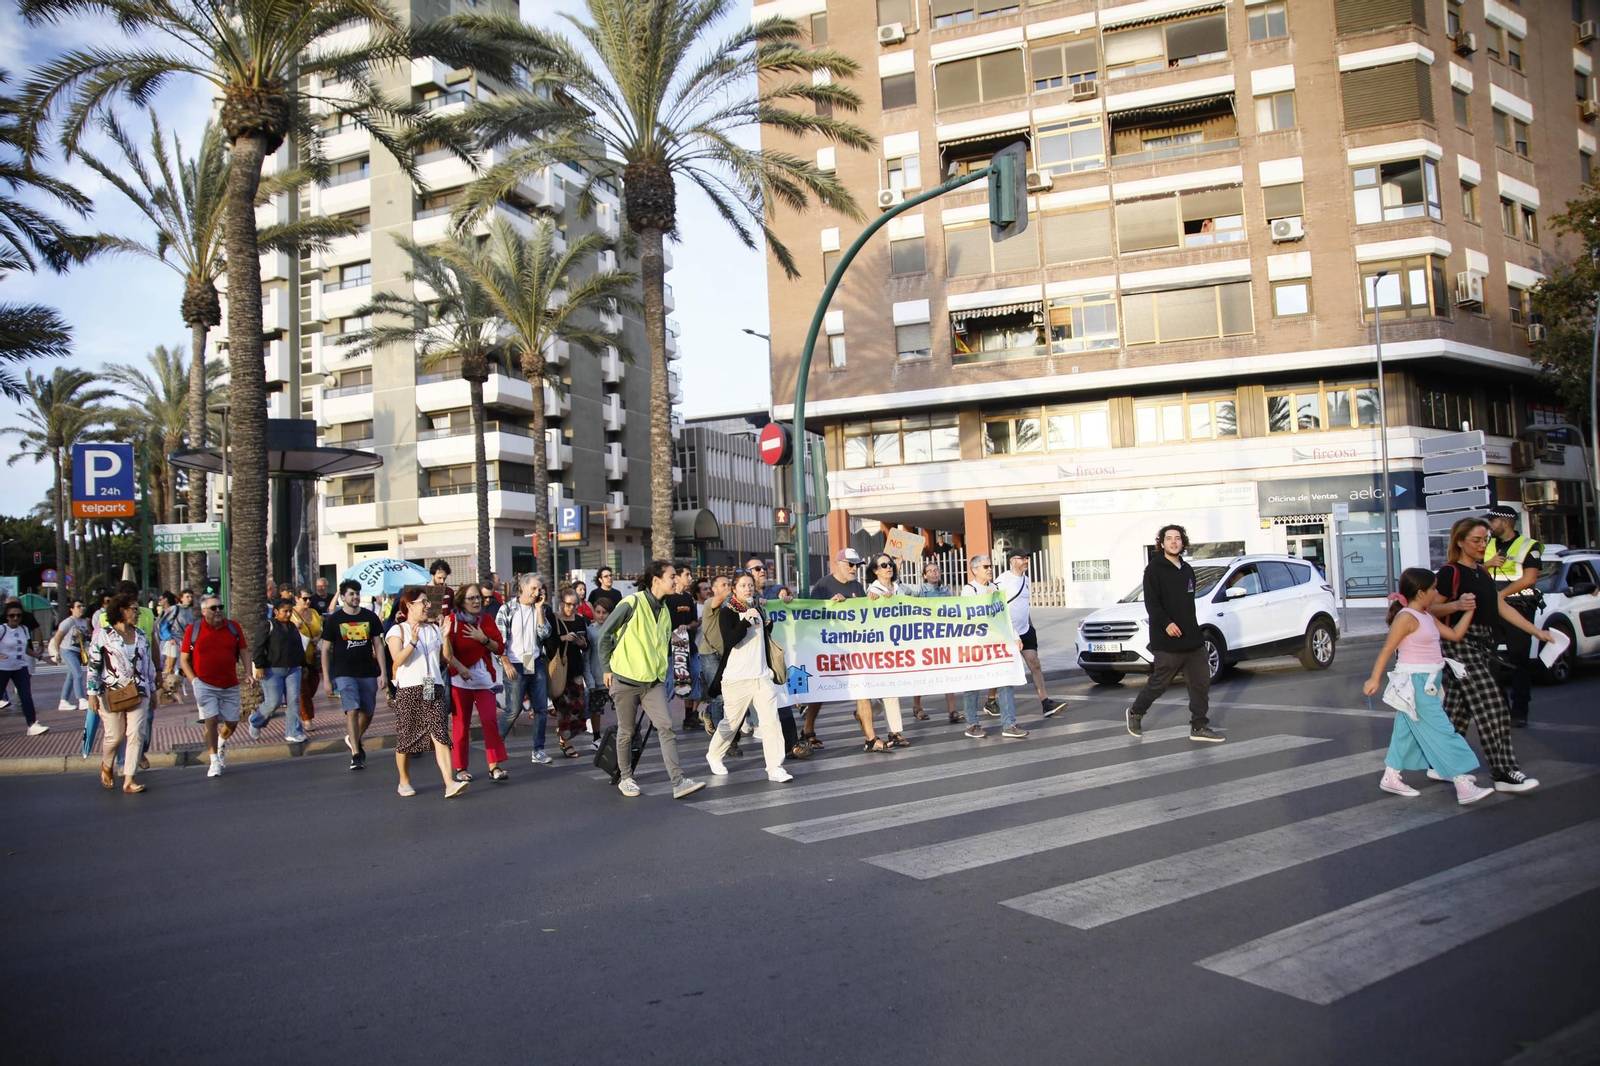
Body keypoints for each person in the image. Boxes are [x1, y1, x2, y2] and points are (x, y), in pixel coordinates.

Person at [1429, 517, 1554, 794]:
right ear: (1460, 542)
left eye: (1485, 540)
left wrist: (1536, 632)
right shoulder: (1450, 572)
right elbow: (1429, 609)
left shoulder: (1482, 573)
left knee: (1457, 710)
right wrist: (1457, 605)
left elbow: (1501, 607)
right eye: (1476, 540)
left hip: (1484, 643)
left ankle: (1440, 763)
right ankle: (1503, 772)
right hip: (1461, 644)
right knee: (1494, 705)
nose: (1482, 545)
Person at [1361, 570, 1496, 805]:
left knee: (1405, 733)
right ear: (1421, 592)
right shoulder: (1406, 617)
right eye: (1433, 588)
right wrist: (1374, 679)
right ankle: (1462, 784)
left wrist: (1469, 611)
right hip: (1415, 684)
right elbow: (1387, 649)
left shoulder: (1426, 615)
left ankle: (1391, 776)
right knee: (1442, 731)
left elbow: (1455, 634)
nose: (1436, 592)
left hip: (1428, 681)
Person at [597, 559, 705, 799]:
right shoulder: (631, 603)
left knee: (666, 726)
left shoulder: (665, 609)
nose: (676, 580)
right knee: (626, 732)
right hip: (626, 679)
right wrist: (606, 669)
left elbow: (657, 641)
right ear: (657, 580)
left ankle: (678, 782)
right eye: (672, 576)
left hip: (653, 682)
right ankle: (626, 778)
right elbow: (604, 634)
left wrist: (669, 649)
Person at [1125, 525, 1225, 743]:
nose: (1173, 542)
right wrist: (1167, 623)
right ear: (1162, 544)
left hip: (1193, 638)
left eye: (1177, 538)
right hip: (1167, 639)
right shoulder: (1154, 569)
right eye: (1169, 538)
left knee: (1200, 683)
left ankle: (1199, 726)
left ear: (1183, 542)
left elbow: (1188, 604)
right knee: (1159, 683)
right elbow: (1152, 604)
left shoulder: (1187, 569)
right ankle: (1136, 712)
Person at [704, 570, 794, 782]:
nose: (748, 589)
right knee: (731, 723)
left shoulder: (758, 609)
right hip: (736, 679)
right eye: (743, 585)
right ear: (734, 589)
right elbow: (730, 641)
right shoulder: (727, 612)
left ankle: (775, 767)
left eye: (750, 585)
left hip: (761, 677)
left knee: (771, 722)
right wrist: (745, 620)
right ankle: (714, 754)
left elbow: (763, 637)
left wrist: (768, 624)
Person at [802, 549, 894, 754]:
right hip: (827, 647)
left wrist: (877, 600)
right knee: (819, 690)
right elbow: (809, 613)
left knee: (863, 689)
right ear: (838, 563)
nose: (854, 569)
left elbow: (864, 614)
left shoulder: (857, 586)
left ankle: (870, 738)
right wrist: (829, 604)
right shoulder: (823, 585)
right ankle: (808, 729)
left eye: (857, 565)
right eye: (850, 564)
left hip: (852, 648)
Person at [386, 586, 466, 798]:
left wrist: (445, 637)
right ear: (409, 605)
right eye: (423, 602)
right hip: (410, 687)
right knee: (407, 738)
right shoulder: (398, 630)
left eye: (428, 602)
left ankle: (449, 783)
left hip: (432, 685)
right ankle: (404, 781)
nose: (428, 606)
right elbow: (397, 660)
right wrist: (412, 641)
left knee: (440, 733)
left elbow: (445, 656)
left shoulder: (432, 629)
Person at [85, 592, 157, 793]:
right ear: (122, 611)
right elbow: (93, 665)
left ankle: (129, 779)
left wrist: (152, 690)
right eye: (134, 609)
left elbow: (148, 664)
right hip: (111, 692)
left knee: (136, 734)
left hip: (140, 690)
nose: (138, 612)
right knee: (115, 736)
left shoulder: (141, 635)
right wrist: (92, 693)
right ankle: (107, 764)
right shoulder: (103, 635)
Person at [958, 555, 1030, 740]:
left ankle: (1009, 724)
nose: (990, 569)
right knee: (973, 684)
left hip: (997, 643)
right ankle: (972, 724)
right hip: (977, 645)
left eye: (990, 566)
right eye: (985, 567)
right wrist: (987, 599)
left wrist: (1015, 636)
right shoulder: (970, 590)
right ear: (974, 570)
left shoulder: (995, 588)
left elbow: (1004, 615)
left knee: (1006, 681)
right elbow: (970, 616)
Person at [1483, 504, 1543, 727]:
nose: (1489, 525)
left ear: (1505, 522)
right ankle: (1502, 708)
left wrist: (1501, 595)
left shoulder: (1528, 546)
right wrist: (1488, 564)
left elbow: (1529, 578)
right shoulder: (1486, 544)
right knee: (1489, 659)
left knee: (1519, 660)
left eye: (1492, 521)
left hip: (1519, 606)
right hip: (1492, 608)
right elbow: (1472, 570)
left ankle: (1519, 711)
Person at [443, 582, 508, 782]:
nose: (476, 601)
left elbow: (499, 648)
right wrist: (459, 666)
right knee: (461, 726)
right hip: (460, 680)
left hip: (484, 679)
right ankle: (461, 768)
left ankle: (494, 766)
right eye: (471, 598)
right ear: (461, 601)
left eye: (478, 597)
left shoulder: (486, 620)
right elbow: (446, 653)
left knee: (489, 721)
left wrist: (483, 638)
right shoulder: (452, 621)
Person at [180, 595, 250, 778]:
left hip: (230, 684)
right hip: (204, 684)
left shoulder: (233, 627)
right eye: (213, 608)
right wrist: (194, 681)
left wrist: (249, 672)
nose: (218, 610)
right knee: (210, 720)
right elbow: (184, 659)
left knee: (232, 723)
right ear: (203, 611)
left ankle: (221, 743)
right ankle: (214, 761)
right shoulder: (193, 630)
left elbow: (243, 651)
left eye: (220, 607)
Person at [323, 579, 386, 770]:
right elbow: (325, 650)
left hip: (367, 672)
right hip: (344, 672)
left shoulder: (370, 617)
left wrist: (383, 672)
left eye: (357, 593)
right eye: (351, 594)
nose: (355, 597)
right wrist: (327, 679)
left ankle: (353, 738)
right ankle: (356, 754)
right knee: (352, 710)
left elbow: (378, 645)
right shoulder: (334, 620)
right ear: (342, 597)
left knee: (368, 712)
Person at [995, 549, 1060, 717]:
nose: (1025, 561)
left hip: (1025, 629)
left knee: (1035, 663)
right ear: (1012, 561)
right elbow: (997, 605)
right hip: (1008, 632)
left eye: (1027, 558)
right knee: (1004, 668)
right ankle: (990, 700)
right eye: (1022, 558)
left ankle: (1046, 703)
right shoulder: (1003, 580)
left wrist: (1030, 625)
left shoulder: (1026, 579)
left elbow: (1023, 605)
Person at [497, 574, 552, 763]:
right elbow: (498, 641)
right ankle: (496, 743)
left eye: (539, 589)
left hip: (533, 660)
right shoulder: (507, 609)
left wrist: (539, 610)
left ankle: (539, 749)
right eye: (534, 588)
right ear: (522, 587)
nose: (537, 592)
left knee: (541, 709)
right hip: (514, 663)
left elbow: (545, 634)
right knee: (514, 709)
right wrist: (505, 662)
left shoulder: (540, 609)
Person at [866, 553, 913, 747]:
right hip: (881, 646)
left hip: (899, 644)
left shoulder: (897, 587)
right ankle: (894, 732)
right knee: (890, 689)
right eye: (883, 565)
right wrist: (877, 601)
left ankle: (866, 712)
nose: (888, 567)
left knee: (893, 688)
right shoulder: (873, 590)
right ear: (875, 570)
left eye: (890, 564)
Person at [249, 598, 307, 744]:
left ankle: (293, 732)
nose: (288, 614)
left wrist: (304, 664)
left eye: (290, 611)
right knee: (273, 703)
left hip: (293, 669)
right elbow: (258, 647)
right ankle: (256, 721)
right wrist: (260, 666)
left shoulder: (292, 627)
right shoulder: (267, 626)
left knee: (293, 701)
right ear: (276, 611)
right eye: (285, 611)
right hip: (272, 670)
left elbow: (299, 647)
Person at [544, 588, 591, 757]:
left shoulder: (580, 620)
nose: (571, 608)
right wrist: (563, 638)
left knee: (578, 707)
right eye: (568, 604)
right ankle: (567, 743)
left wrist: (582, 643)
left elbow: (587, 646)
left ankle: (563, 733)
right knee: (565, 709)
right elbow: (548, 643)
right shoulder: (553, 618)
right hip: (558, 670)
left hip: (575, 668)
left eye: (575, 605)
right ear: (561, 603)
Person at [914, 561, 958, 723]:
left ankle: (952, 710)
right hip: (925, 637)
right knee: (921, 672)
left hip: (943, 635)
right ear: (924, 576)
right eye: (930, 571)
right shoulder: (920, 591)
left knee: (947, 672)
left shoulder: (946, 590)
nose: (934, 573)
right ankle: (916, 706)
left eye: (936, 570)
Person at [663, 565, 701, 731]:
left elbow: (694, 621)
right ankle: (660, 719)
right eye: (687, 574)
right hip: (671, 650)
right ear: (677, 577)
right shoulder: (666, 598)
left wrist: (688, 626)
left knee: (694, 676)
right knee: (669, 683)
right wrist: (672, 635)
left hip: (688, 646)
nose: (690, 578)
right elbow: (659, 624)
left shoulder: (688, 598)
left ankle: (689, 717)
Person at [0, 601, 46, 736]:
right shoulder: (2, 629)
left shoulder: (24, 629)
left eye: (18, 615)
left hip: (20, 667)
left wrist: (41, 657)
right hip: (3, 668)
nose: (15, 618)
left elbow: (26, 649)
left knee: (26, 696)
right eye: (12, 615)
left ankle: (32, 725)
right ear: (6, 617)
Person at [696, 574, 732, 736]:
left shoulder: (732, 605)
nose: (727, 587)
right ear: (714, 589)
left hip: (727, 654)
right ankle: (721, 736)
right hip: (710, 654)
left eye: (729, 584)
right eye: (723, 585)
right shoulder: (710, 602)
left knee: (731, 694)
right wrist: (735, 588)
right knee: (719, 695)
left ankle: (709, 712)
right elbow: (719, 599)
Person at [290, 587, 323, 729]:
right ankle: (307, 719)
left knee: (312, 686)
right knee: (303, 691)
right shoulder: (291, 615)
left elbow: (320, 629)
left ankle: (300, 711)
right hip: (298, 658)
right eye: (305, 598)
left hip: (313, 657)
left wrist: (317, 638)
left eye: (310, 598)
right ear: (296, 599)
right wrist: (295, 628)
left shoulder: (314, 612)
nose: (308, 601)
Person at [52, 598, 90, 715]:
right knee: (78, 674)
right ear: (71, 609)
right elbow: (58, 637)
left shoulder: (83, 622)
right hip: (67, 650)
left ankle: (63, 701)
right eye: (78, 606)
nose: (81, 608)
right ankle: (81, 699)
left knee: (71, 676)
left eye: (82, 606)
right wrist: (57, 652)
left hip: (78, 651)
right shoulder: (68, 622)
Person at [583, 600, 611, 749]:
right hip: (597, 678)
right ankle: (596, 737)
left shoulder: (615, 629)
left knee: (621, 708)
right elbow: (586, 658)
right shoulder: (590, 631)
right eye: (598, 612)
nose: (601, 615)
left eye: (604, 613)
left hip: (614, 678)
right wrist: (590, 681)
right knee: (596, 710)